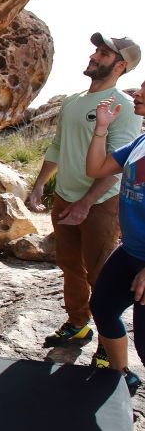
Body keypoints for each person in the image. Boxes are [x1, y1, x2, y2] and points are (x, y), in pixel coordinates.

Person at [26, 33, 142, 367]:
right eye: (96, 50)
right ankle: (77, 325)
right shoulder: (73, 101)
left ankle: (108, 342)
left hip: (101, 202)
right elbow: (58, 146)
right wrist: (39, 186)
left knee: (100, 274)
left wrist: (87, 203)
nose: (94, 55)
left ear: (120, 65)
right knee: (69, 266)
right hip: (65, 197)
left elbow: (117, 164)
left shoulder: (124, 106)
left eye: (104, 53)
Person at [87, 70, 144, 396]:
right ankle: (121, 374)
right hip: (131, 250)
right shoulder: (140, 142)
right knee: (104, 307)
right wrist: (102, 129)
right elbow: (95, 170)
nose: (137, 93)